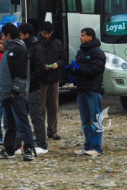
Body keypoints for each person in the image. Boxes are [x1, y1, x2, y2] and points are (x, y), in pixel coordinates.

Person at [0, 23, 35, 161]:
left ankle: (29, 148)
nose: (2, 38)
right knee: (9, 124)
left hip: (15, 94)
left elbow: (21, 73)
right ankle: (9, 149)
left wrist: (16, 90)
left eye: (3, 35)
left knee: (22, 122)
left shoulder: (19, 50)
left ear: (8, 35)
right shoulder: (8, 50)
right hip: (6, 93)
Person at [73, 28, 106, 157]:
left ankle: (97, 147)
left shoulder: (98, 52)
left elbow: (95, 71)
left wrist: (80, 69)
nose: (80, 37)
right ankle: (87, 145)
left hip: (92, 90)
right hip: (81, 89)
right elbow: (80, 69)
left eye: (83, 35)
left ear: (90, 37)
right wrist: (72, 70)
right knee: (85, 121)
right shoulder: (80, 52)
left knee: (95, 119)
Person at [20, 23, 48, 155]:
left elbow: (39, 69)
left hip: (32, 88)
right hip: (24, 87)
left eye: (21, 35)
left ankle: (42, 144)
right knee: (21, 117)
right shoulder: (24, 46)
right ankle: (17, 144)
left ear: (26, 35)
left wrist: (30, 81)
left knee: (36, 116)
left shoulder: (36, 48)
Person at [38, 22, 66, 140]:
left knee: (53, 106)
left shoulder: (58, 43)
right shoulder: (36, 43)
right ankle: (38, 131)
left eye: (49, 34)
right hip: (40, 79)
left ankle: (52, 131)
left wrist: (57, 64)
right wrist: (41, 66)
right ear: (41, 32)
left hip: (54, 78)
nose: (47, 36)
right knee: (40, 107)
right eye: (45, 34)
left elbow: (63, 59)